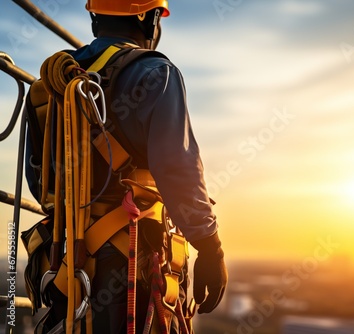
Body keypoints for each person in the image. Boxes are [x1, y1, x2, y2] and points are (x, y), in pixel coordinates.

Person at [24, 0, 228, 332]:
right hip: (130, 259)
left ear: (94, 19)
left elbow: (40, 183)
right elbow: (179, 172)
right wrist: (210, 248)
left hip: (65, 261)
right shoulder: (157, 74)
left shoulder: (55, 83)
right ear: (150, 20)